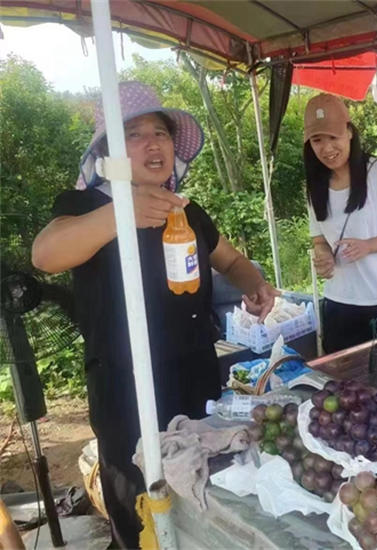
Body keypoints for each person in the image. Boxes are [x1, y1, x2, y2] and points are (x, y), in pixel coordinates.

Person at [31, 81, 280, 548]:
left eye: (161, 133)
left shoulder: (186, 211)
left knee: (199, 500)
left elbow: (230, 260)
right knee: (138, 508)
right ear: (109, 152)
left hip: (197, 380)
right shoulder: (84, 206)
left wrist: (255, 284)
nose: (153, 143)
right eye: (135, 134)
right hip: (126, 392)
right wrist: (120, 212)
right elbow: (45, 254)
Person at [304, 93, 377, 353]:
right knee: (344, 388)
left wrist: (369, 245)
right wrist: (322, 255)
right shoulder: (315, 186)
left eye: (333, 137)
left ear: (349, 133)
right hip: (339, 305)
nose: (326, 148)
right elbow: (319, 239)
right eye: (317, 140)